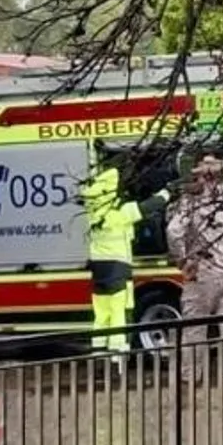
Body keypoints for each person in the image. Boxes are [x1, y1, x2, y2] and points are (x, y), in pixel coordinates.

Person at [166, 154, 223, 386]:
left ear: (206, 178)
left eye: (198, 175)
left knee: (194, 329)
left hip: (203, 275)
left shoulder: (193, 204)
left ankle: (190, 379)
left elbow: (173, 231)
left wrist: (182, 261)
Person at [81, 149, 142, 357]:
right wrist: (167, 192)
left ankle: (99, 352)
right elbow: (147, 208)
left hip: (99, 267)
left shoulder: (94, 212)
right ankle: (118, 354)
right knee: (118, 311)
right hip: (117, 267)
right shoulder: (115, 214)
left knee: (102, 313)